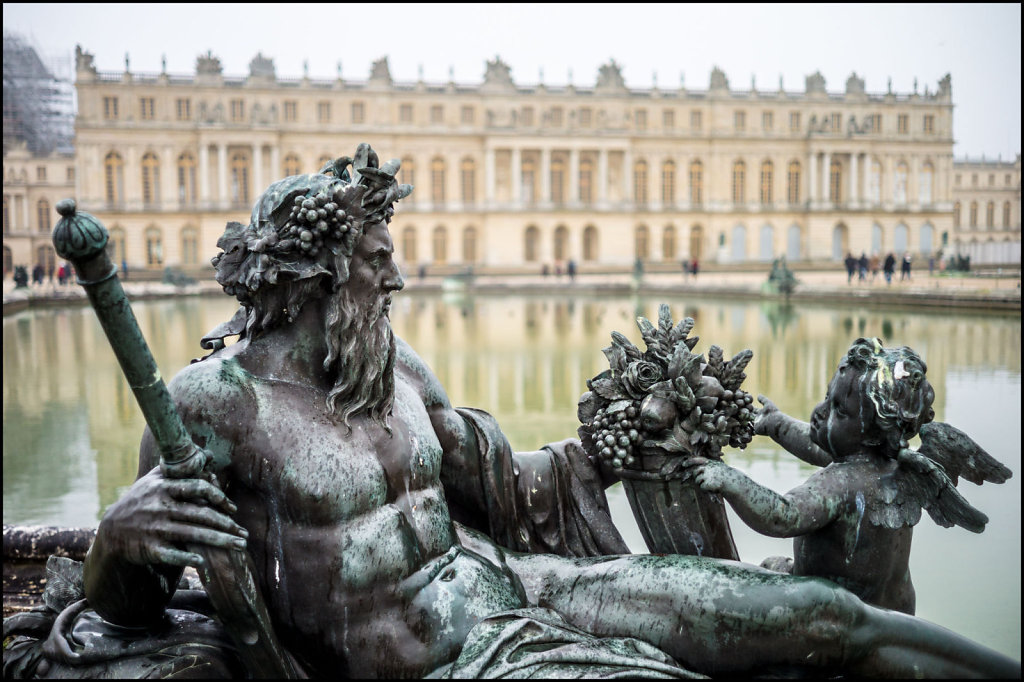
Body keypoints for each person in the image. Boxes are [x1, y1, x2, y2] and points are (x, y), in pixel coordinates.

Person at [80, 146, 1019, 679]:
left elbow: (503, 482)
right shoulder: (214, 407)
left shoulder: (393, 364)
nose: (398, 274)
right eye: (376, 259)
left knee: (817, 611)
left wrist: (600, 450)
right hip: (451, 663)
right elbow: (126, 614)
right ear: (319, 275)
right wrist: (115, 542)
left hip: (522, 588)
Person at [682, 338, 1009, 615]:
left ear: (872, 432)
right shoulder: (892, 465)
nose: (821, 411)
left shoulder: (842, 483)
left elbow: (783, 515)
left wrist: (729, 480)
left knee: (765, 571)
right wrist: (777, 425)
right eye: (828, 398)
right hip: (892, 612)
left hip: (836, 614)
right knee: (776, 566)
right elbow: (817, 447)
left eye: (839, 409)